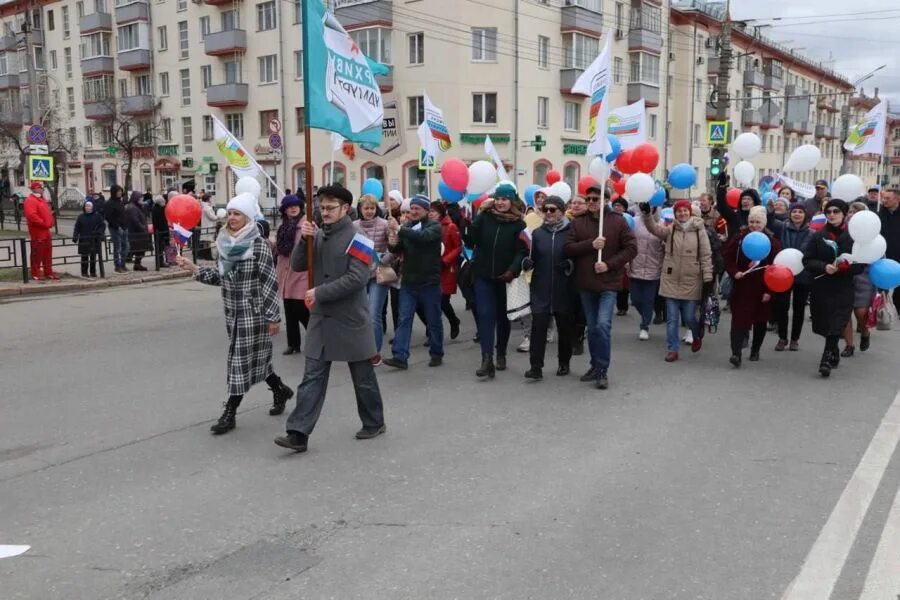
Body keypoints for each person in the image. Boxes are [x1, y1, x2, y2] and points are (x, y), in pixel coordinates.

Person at [275, 185, 386, 453]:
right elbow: (299, 265)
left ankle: (374, 421)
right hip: (321, 320)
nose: (324, 212)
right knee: (312, 376)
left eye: (330, 208)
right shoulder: (319, 234)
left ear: (345, 209)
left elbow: (357, 278)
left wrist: (320, 292)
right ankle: (298, 433)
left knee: (363, 377)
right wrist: (305, 240)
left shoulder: (359, 237)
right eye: (321, 208)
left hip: (350, 319)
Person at [175, 193, 294, 433]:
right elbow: (220, 277)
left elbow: (269, 282)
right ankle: (280, 389)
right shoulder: (225, 243)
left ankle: (229, 412)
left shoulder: (258, 244)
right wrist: (194, 268)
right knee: (257, 360)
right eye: (229, 213)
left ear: (248, 216)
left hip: (255, 313)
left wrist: (273, 317)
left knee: (238, 363)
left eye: (237, 213)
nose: (232, 218)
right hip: (232, 312)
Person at [565, 184, 637, 389]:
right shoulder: (578, 223)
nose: (591, 203)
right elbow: (568, 248)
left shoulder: (618, 221)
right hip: (586, 284)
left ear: (606, 200)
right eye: (588, 200)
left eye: (595, 199)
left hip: (609, 283)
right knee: (593, 328)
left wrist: (609, 264)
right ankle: (594, 365)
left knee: (603, 325)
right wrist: (591, 244)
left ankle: (602, 369)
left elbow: (631, 248)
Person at [463, 183, 528, 379]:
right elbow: (471, 240)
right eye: (498, 199)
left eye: (505, 199)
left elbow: (522, 251)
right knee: (485, 314)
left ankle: (501, 352)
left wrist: (512, 270)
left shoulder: (519, 224)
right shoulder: (485, 218)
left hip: (505, 277)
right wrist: (469, 223)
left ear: (511, 201)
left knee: (502, 317)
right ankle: (486, 359)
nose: (500, 203)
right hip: (483, 275)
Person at [640, 199, 713, 361]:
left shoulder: (699, 230)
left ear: (690, 212)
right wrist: (647, 215)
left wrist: (708, 276)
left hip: (692, 280)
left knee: (689, 317)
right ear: (675, 214)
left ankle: (696, 333)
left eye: (685, 211)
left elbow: (706, 255)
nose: (682, 213)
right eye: (679, 211)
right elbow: (655, 230)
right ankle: (672, 349)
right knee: (672, 319)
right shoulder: (671, 229)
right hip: (671, 279)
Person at [803, 198, 863, 377]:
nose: (832, 215)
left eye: (836, 211)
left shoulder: (855, 237)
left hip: (843, 287)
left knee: (838, 322)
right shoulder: (818, 235)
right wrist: (824, 266)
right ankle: (834, 348)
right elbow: (807, 260)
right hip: (822, 286)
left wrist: (847, 268)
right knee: (823, 324)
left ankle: (826, 359)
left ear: (844, 214)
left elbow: (861, 263)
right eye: (828, 212)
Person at [383, 195, 444, 369]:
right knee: (404, 319)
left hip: (429, 282)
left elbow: (423, 238)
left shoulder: (434, 227)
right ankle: (400, 356)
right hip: (409, 281)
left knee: (433, 320)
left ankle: (437, 352)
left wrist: (400, 229)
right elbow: (398, 249)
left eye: (418, 208)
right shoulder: (407, 227)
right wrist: (392, 243)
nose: (414, 212)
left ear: (426, 210)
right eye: (412, 208)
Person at [522, 195, 575, 380]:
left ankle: (564, 362)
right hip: (541, 286)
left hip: (563, 286)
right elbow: (532, 257)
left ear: (561, 210)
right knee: (538, 327)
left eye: (553, 209)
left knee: (564, 328)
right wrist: (527, 262)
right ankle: (535, 366)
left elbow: (577, 256)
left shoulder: (571, 231)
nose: (549, 213)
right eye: (546, 210)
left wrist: (569, 264)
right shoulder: (538, 233)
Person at [722, 205, 781, 367]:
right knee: (739, 320)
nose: (754, 225)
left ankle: (755, 349)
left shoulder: (772, 242)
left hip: (763, 286)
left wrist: (770, 291)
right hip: (742, 285)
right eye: (752, 222)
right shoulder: (740, 238)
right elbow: (727, 256)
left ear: (764, 224)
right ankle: (736, 353)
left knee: (760, 321)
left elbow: (777, 267)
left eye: (758, 222)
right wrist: (734, 272)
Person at [769, 202, 813, 351]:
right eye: (794, 211)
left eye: (800, 212)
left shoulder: (811, 233)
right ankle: (782, 338)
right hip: (783, 273)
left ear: (805, 215)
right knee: (782, 306)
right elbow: (770, 221)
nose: (797, 214)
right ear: (790, 213)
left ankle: (795, 339)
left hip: (803, 274)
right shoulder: (782, 228)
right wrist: (770, 211)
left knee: (799, 308)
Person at [354, 193, 391, 364]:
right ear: (360, 210)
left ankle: (374, 352)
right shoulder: (353, 226)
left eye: (372, 208)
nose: (369, 211)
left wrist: (384, 259)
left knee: (374, 314)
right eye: (366, 208)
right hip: (359, 275)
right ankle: (361, 348)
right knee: (360, 314)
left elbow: (394, 247)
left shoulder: (385, 224)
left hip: (379, 274)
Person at [419, 201, 462, 341]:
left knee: (442, 301)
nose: (430, 214)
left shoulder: (450, 227)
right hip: (430, 268)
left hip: (446, 269)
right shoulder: (425, 226)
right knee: (428, 302)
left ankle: (453, 320)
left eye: (433, 211)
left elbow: (457, 247)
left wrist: (445, 260)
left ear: (441, 213)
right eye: (429, 211)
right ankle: (432, 331)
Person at [275, 194, 310, 356]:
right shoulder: (283, 227)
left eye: (296, 205)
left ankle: (317, 337)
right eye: (289, 206)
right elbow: (279, 250)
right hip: (285, 270)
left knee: (301, 307)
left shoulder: (306, 225)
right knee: (289, 308)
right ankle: (293, 344)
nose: (293, 208)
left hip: (301, 271)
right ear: (285, 210)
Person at [842, 202, 876, 356]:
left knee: (860, 311)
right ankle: (849, 345)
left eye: (856, 212)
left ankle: (865, 332)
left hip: (865, 274)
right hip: (845, 273)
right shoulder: (842, 231)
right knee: (844, 311)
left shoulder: (873, 234)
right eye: (850, 211)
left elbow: (880, 254)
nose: (852, 214)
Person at [628, 201, 664, 340]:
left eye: (652, 206)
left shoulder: (662, 224)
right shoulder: (634, 222)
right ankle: (646, 315)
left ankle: (644, 326)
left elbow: (666, 245)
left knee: (648, 300)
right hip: (635, 266)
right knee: (636, 299)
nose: (648, 208)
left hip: (653, 268)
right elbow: (626, 243)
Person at [23, 181, 57, 280]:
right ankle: (35, 273)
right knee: (37, 252)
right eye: (41, 188)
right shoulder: (30, 200)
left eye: (43, 188)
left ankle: (48, 272)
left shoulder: (42, 199)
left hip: (45, 230)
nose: (43, 190)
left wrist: (50, 222)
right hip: (37, 230)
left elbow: (47, 212)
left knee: (47, 251)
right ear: (36, 188)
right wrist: (44, 223)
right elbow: (32, 216)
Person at [72, 200, 106, 277]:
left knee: (93, 257)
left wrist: (98, 232)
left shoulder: (97, 216)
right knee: (84, 257)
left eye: (89, 206)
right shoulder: (81, 217)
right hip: (84, 239)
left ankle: (93, 272)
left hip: (94, 240)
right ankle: (84, 272)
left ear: (92, 207)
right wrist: (75, 236)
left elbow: (102, 225)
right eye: (86, 206)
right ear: (84, 207)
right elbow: (77, 227)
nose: (87, 208)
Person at [879, 188, 900, 311]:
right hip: (884, 254)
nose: (884, 201)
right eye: (883, 198)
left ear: (897, 199)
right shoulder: (880, 213)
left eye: (888, 198)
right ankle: (883, 308)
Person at [124, 190, 150, 271]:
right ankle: (137, 264)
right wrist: (142, 228)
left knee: (141, 250)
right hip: (136, 232)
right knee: (139, 249)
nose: (142, 200)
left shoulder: (137, 206)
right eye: (140, 198)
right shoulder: (132, 208)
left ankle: (137, 264)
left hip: (139, 232)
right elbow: (135, 220)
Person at [105, 185, 128, 272]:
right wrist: (117, 226)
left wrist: (125, 224)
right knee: (117, 248)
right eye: (118, 191)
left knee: (125, 247)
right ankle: (117, 266)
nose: (120, 193)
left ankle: (123, 264)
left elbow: (123, 214)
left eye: (120, 191)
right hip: (115, 228)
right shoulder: (109, 203)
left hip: (124, 227)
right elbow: (108, 217)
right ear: (114, 192)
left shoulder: (120, 202)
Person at [151, 194, 170, 268]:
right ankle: (161, 263)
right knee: (161, 247)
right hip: (161, 231)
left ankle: (160, 262)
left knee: (159, 248)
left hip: (157, 230)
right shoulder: (161, 209)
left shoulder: (154, 208)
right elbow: (163, 222)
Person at [199, 192, 218, 259]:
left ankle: (204, 255)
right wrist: (218, 216)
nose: (211, 200)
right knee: (209, 241)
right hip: (209, 226)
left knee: (205, 241)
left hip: (205, 225)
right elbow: (213, 217)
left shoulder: (203, 206)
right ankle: (208, 256)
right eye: (210, 198)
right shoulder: (208, 208)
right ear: (208, 199)